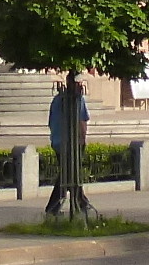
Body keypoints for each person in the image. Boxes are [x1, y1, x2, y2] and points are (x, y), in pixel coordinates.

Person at [44, 81, 91, 215]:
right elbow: (82, 121)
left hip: (57, 142)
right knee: (68, 174)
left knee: (69, 173)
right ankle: (54, 207)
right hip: (72, 143)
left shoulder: (56, 100)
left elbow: (50, 122)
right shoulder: (77, 100)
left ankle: (81, 201)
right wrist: (82, 140)